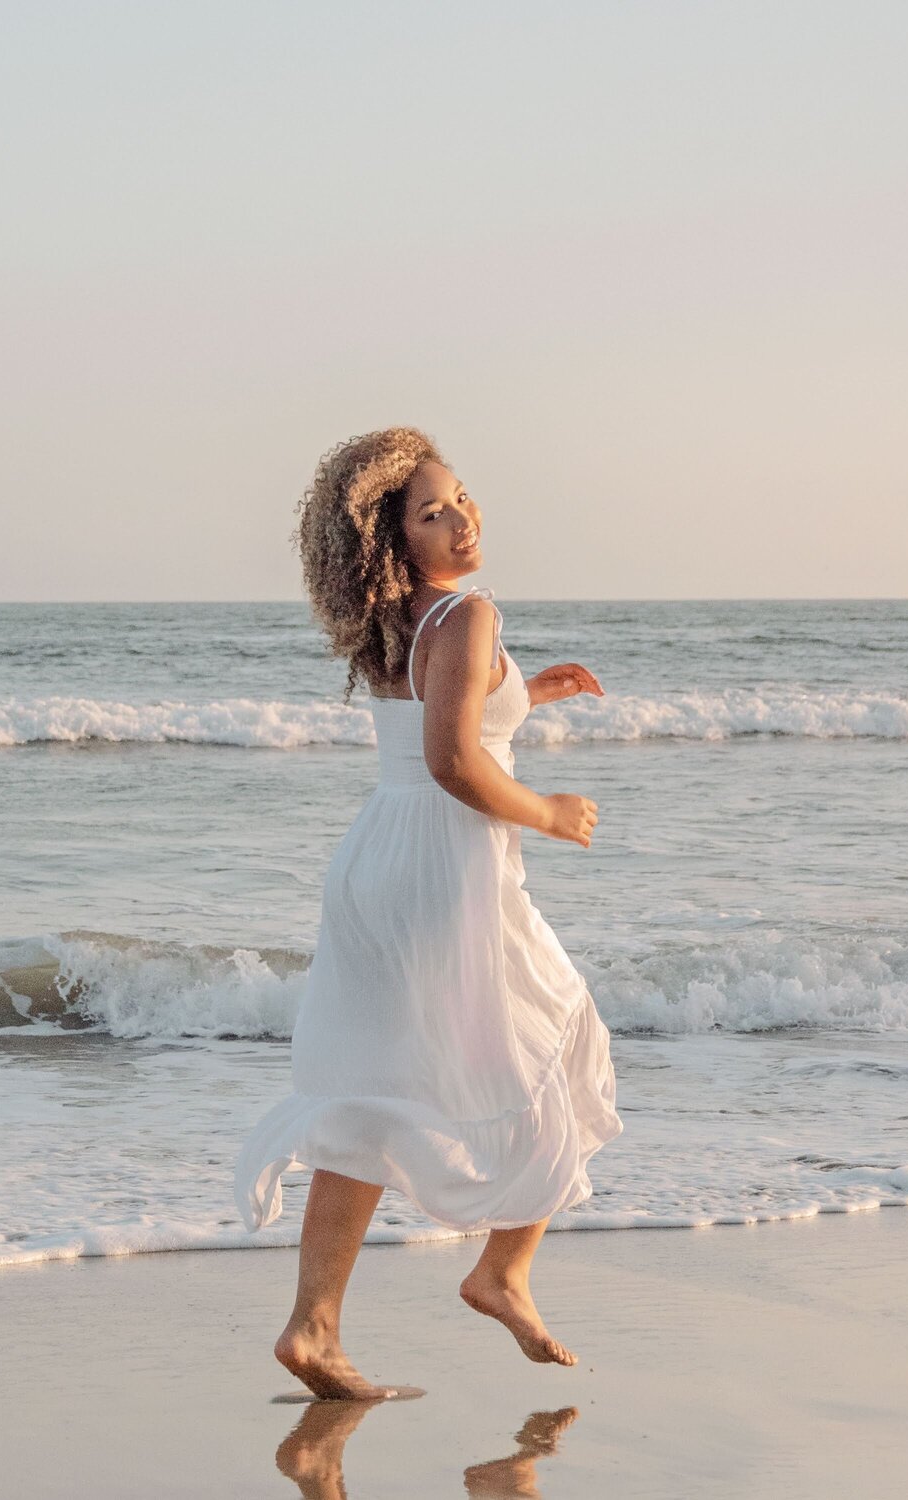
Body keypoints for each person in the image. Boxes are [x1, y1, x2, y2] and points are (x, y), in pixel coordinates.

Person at [233, 427, 622, 1400]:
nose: (462, 517)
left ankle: (313, 1330)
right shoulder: (468, 613)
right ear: (390, 539)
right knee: (566, 1037)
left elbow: (433, 725)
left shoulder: (395, 624)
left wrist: (530, 693)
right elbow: (455, 764)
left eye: (461, 498)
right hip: (449, 873)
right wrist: (550, 811)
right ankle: (502, 1271)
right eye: (433, 511)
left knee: (374, 1095)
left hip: (378, 867)